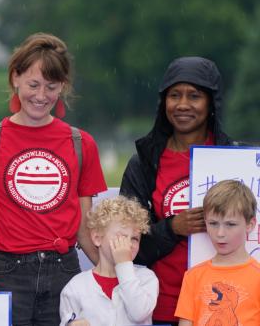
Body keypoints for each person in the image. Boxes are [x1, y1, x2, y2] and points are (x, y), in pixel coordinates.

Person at [0, 32, 106, 326]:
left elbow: (84, 228)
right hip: (5, 272)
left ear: (63, 86)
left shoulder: (82, 143)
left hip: (63, 272)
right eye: (33, 85)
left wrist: (112, 275)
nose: (41, 96)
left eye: (51, 87)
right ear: (15, 78)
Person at [119, 56, 237, 325]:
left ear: (211, 103)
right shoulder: (144, 163)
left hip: (220, 306)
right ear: (164, 103)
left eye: (194, 96)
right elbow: (125, 243)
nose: (182, 104)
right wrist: (172, 228)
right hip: (159, 306)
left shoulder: (234, 159)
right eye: (174, 95)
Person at [59, 196, 159, 325]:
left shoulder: (146, 278)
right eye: (121, 237)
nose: (128, 244)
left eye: (134, 239)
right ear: (97, 238)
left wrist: (124, 265)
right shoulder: (76, 286)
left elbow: (139, 313)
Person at [175, 180, 260, 325]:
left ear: (250, 225)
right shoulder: (193, 276)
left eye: (230, 224)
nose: (220, 233)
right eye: (213, 223)